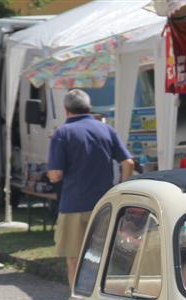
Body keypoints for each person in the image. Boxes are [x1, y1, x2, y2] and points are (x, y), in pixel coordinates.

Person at [47, 89, 134, 287]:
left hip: (73, 205)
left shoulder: (62, 133)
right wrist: (121, 188)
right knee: (104, 258)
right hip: (105, 204)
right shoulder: (106, 129)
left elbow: (55, 175)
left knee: (75, 259)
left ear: (66, 109)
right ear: (88, 107)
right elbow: (128, 162)